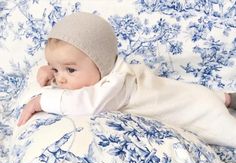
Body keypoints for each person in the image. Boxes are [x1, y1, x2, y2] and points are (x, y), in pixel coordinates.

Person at [17, 12, 236, 147]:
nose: (60, 79)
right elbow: (65, 69)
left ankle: (225, 100)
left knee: (227, 132)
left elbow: (87, 103)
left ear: (100, 64)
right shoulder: (102, 70)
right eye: (56, 68)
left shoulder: (113, 86)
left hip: (197, 111)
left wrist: (41, 102)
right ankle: (227, 98)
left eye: (70, 70)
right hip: (187, 94)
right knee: (198, 94)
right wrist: (46, 70)